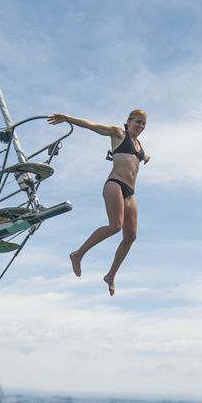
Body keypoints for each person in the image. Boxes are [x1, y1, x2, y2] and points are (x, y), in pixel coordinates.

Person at [48, 109, 150, 296]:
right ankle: (78, 254)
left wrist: (147, 156)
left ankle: (110, 275)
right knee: (115, 226)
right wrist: (67, 118)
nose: (141, 126)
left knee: (131, 236)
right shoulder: (118, 133)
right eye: (138, 122)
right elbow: (92, 125)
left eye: (144, 124)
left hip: (130, 193)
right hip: (115, 185)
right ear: (128, 121)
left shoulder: (139, 144)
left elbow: (140, 157)